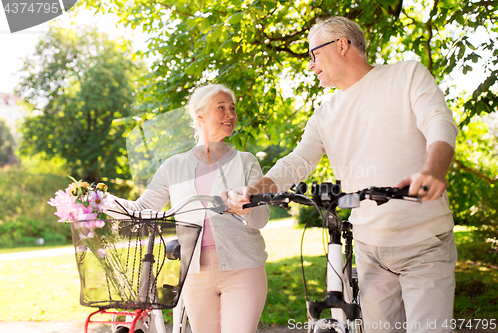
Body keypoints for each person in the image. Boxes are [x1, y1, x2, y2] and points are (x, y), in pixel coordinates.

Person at [226, 16, 459, 333]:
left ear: (341, 45)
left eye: (314, 54)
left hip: (423, 239)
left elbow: (438, 122)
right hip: (369, 249)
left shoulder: (406, 74)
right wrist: (256, 189)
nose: (311, 65)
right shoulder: (325, 114)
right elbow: (298, 160)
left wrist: (433, 170)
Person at [114, 84, 270, 333]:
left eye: (232, 108)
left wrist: (245, 207)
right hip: (195, 274)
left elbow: (261, 218)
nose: (230, 114)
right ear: (200, 116)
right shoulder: (173, 166)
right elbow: (143, 208)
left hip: (243, 268)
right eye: (221, 108)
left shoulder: (245, 161)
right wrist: (100, 201)